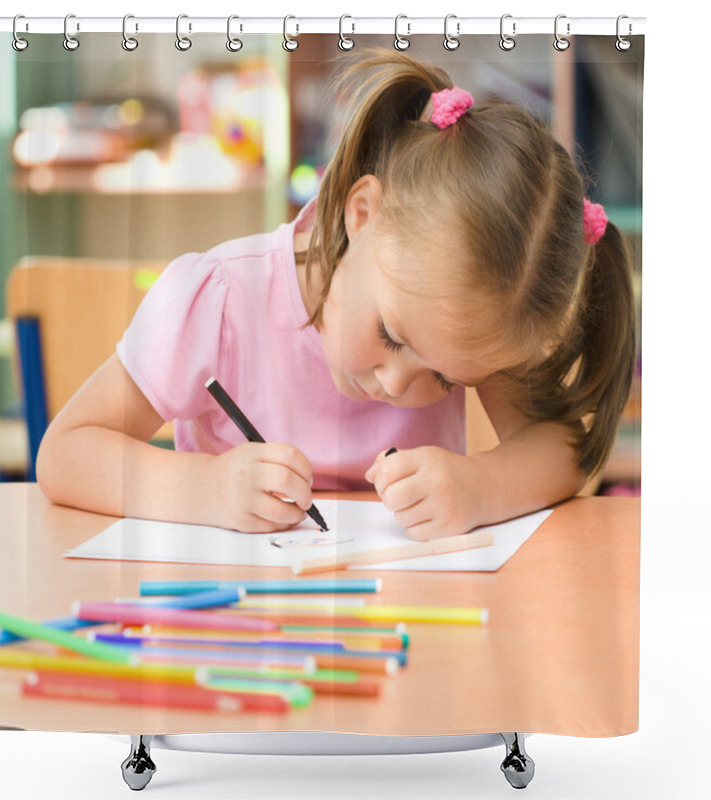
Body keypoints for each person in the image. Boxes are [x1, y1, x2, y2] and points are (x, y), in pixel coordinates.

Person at [36, 50, 636, 542]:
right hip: (233, 625)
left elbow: (562, 451)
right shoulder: (219, 298)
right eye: (391, 336)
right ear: (362, 213)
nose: (400, 386)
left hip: (408, 625)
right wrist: (206, 490)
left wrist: (479, 487)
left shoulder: (469, 302)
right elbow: (65, 454)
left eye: (447, 379)